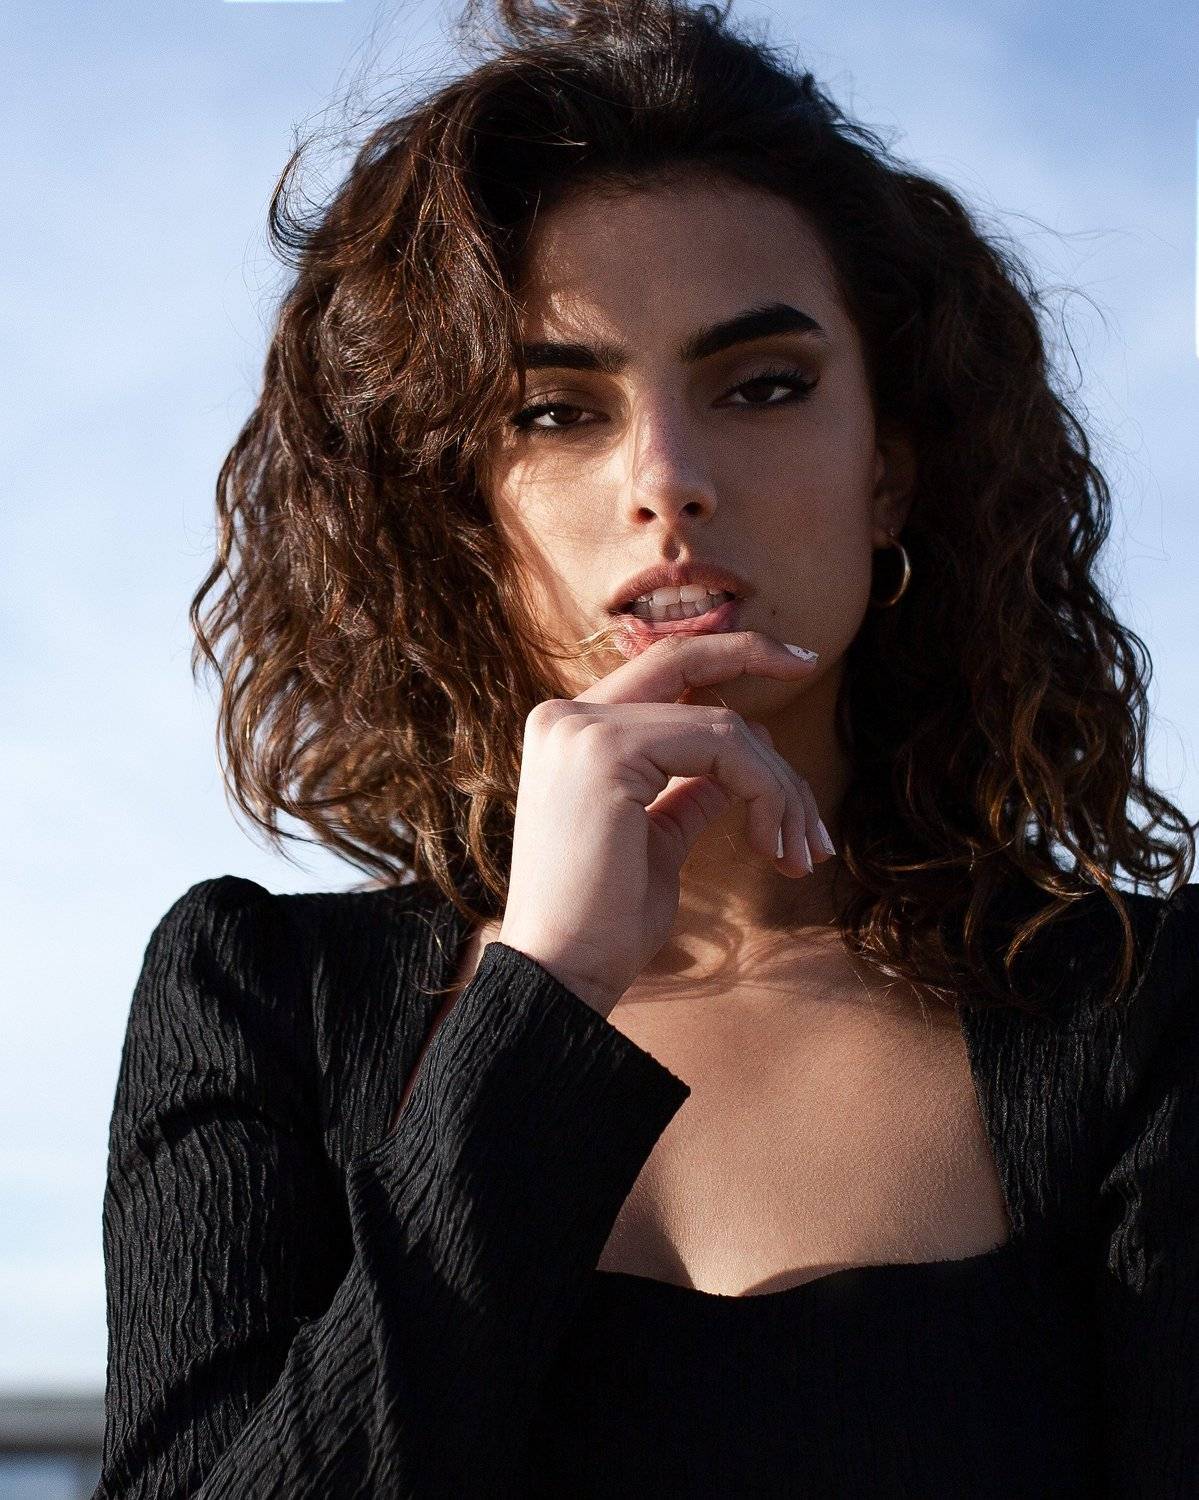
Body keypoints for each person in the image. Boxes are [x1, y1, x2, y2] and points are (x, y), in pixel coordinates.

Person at [94, 0, 1198, 1494]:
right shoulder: (256, 1002)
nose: (666, 480)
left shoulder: (1141, 1010)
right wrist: (541, 998)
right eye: (556, 411)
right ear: (462, 513)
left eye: (763, 386)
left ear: (890, 472)